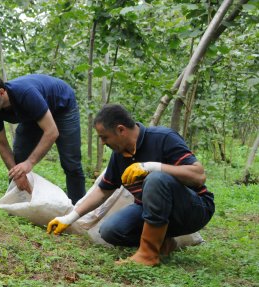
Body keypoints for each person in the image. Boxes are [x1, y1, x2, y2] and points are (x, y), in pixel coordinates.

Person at [47, 104, 215, 267]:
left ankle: (148, 254)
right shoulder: (119, 155)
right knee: (110, 230)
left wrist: (151, 167)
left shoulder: (163, 138)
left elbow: (199, 175)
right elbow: (102, 191)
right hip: (153, 211)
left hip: (194, 208)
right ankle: (163, 242)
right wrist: (68, 218)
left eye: (104, 137)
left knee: (156, 179)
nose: (103, 143)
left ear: (121, 129)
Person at [0, 73, 86, 204]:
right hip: (33, 114)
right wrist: (18, 175)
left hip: (62, 106)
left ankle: (78, 209)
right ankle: (17, 203)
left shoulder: (25, 94)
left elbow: (52, 132)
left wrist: (29, 163)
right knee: (19, 160)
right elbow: (2, 144)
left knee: (71, 163)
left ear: (1, 92)